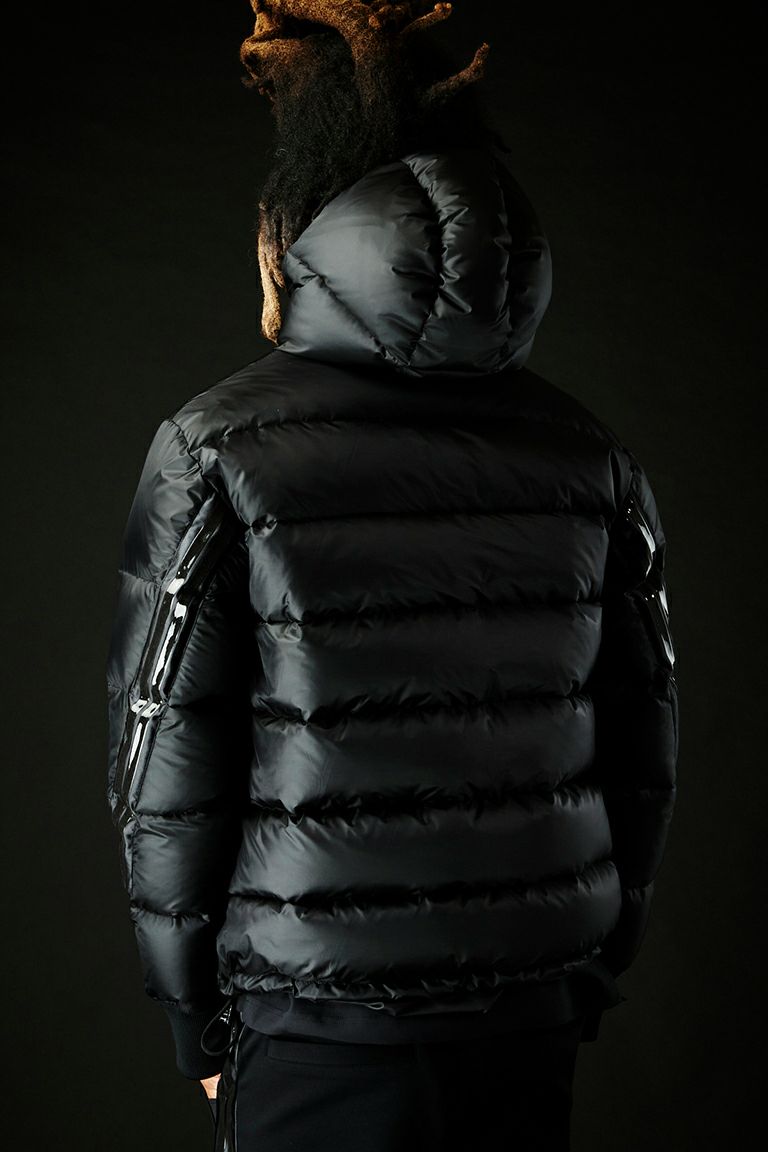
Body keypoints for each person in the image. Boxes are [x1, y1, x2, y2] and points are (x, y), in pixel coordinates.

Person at [105, 3, 679, 1149]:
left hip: (314, 1020)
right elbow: (644, 733)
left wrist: (192, 1021)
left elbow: (164, 757)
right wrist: (595, 953)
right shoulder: (588, 454)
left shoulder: (217, 448)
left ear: (292, 238)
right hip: (530, 1005)